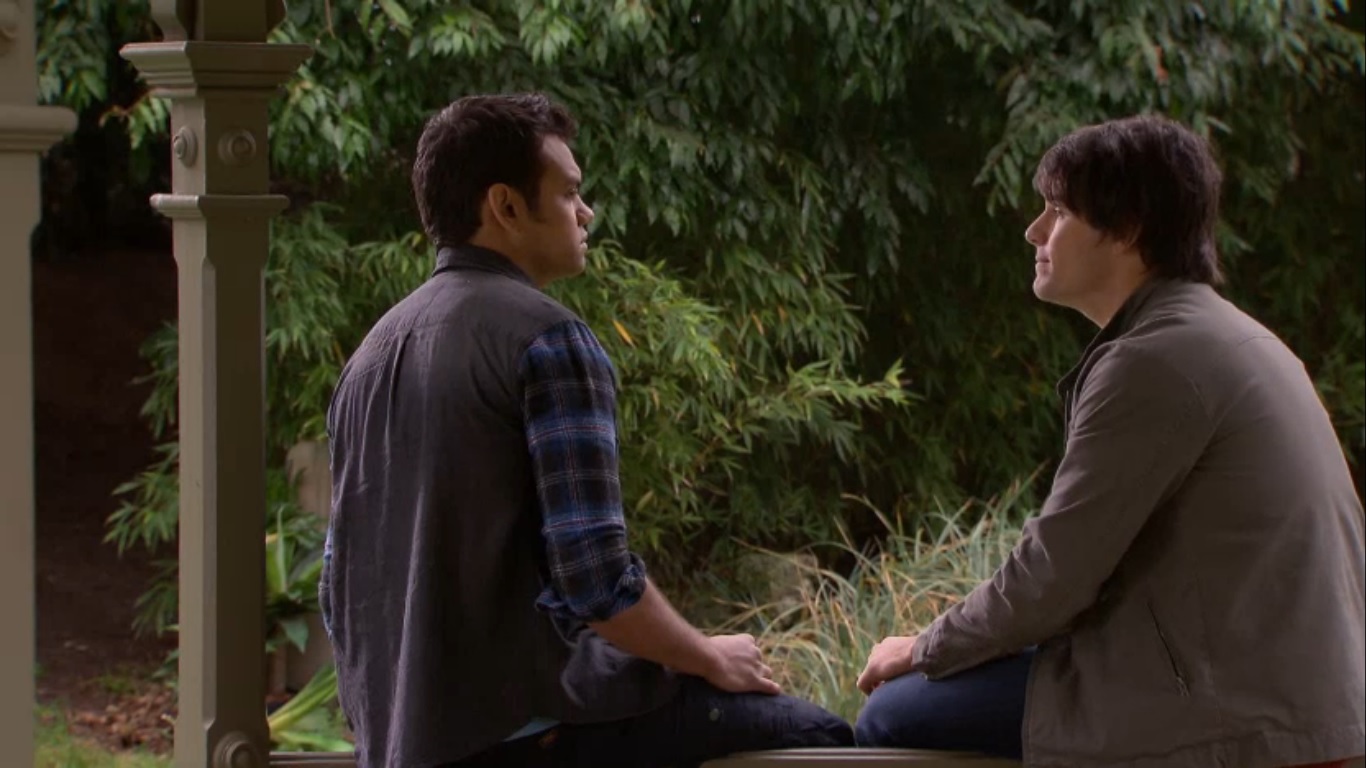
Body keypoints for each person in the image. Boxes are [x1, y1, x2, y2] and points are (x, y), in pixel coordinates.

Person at [318, 93, 853, 768]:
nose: (586, 211)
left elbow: (338, 587)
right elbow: (597, 582)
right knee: (822, 739)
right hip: (533, 729)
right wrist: (708, 654)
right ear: (506, 206)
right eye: (569, 192)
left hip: (401, 742)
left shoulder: (367, 361)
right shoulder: (548, 340)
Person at [853, 115, 1365, 767]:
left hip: (1235, 722)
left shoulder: (1157, 361)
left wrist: (921, 647)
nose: (1034, 231)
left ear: (1128, 227)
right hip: (1295, 706)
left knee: (893, 714)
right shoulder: (1233, 338)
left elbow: (1051, 580)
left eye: (1059, 211)